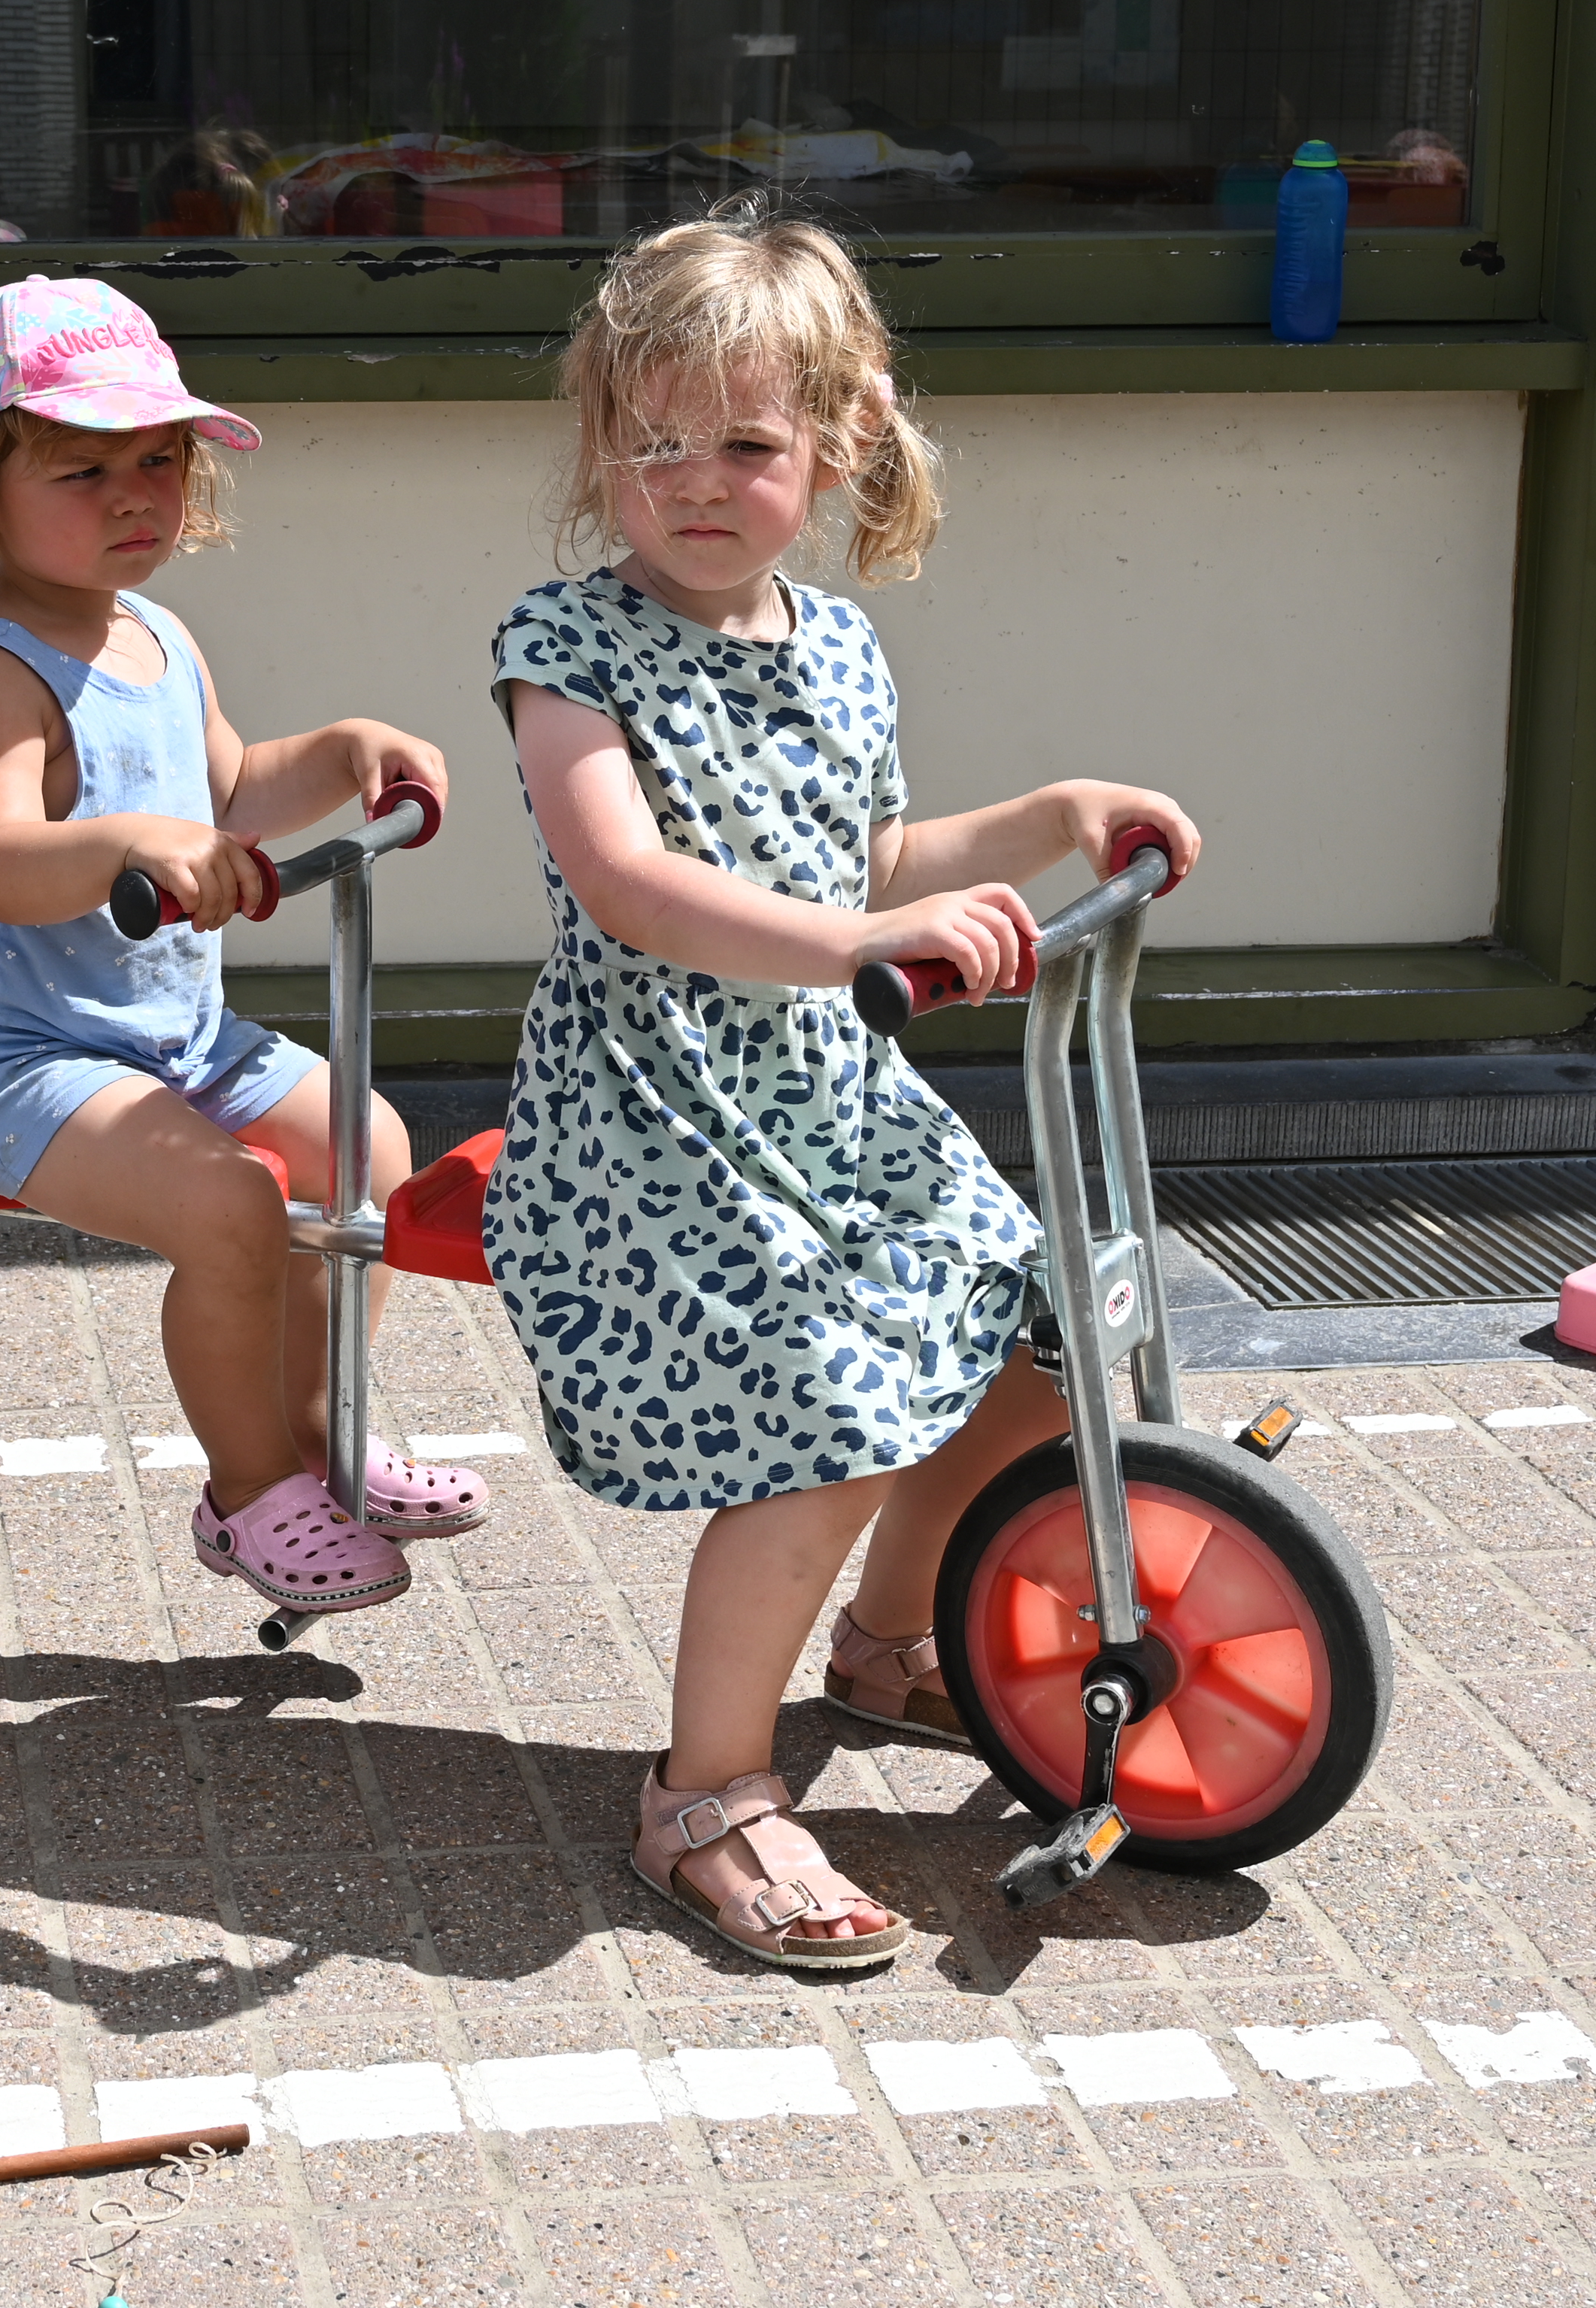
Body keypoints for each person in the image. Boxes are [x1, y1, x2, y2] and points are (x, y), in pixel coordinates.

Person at [483, 205, 1201, 1968]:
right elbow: (631, 884)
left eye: (741, 443)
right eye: (651, 442)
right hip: (651, 1111)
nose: (694, 481)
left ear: (838, 442)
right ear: (599, 447)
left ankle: (889, 1648)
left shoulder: (831, 645)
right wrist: (861, 940)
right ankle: (703, 1793)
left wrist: (1043, 823)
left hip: (820, 1087)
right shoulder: (562, 647)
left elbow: (869, 847)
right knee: (827, 1396)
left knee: (1044, 1324)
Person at [0, 276, 473, 1620]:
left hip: (174, 1041)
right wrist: (118, 843)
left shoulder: (158, 634)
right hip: (17, 1062)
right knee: (230, 1206)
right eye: (82, 467)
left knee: (368, 1150)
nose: (132, 493)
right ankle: (247, 1487)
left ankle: (325, 1430)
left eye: (158, 459)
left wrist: (337, 753)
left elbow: (226, 796)